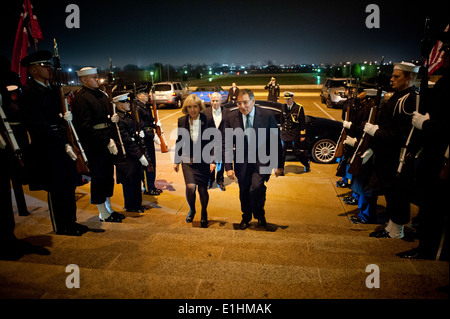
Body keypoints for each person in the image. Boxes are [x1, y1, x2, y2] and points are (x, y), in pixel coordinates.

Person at [20, 50, 88, 235]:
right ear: (33, 70)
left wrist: (67, 120)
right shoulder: (30, 93)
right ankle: (61, 226)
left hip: (62, 142)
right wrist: (61, 141)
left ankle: (71, 221)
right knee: (57, 186)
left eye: (49, 65)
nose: (49, 69)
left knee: (69, 184)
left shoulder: (51, 89)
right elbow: (37, 124)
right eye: (44, 66)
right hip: (48, 147)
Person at [398, 32, 449, 260]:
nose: (444, 54)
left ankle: (430, 249)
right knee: (428, 204)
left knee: (434, 207)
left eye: (447, 50)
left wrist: (426, 124)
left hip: (441, 157)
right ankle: (426, 245)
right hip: (432, 155)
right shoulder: (445, 82)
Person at [366, 62, 422, 238]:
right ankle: (392, 226)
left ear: (409, 77)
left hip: (397, 156)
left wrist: (376, 132)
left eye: (396, 76)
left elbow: (400, 135)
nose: (392, 79)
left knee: (398, 194)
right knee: (390, 193)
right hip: (387, 155)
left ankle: (398, 230)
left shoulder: (409, 100)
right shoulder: (399, 96)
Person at [223, 89, 283, 229]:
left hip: (262, 162)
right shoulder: (231, 117)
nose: (242, 106)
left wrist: (279, 165)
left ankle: (260, 215)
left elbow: (275, 141)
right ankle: (246, 217)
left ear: (253, 101)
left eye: (245, 102)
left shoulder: (267, 115)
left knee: (256, 188)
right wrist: (228, 167)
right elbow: (226, 143)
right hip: (241, 163)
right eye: (239, 103)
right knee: (244, 191)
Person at [70, 67, 124, 223]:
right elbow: (85, 127)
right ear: (84, 80)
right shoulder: (81, 98)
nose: (97, 79)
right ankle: (103, 212)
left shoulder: (102, 94)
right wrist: (106, 141)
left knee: (107, 177)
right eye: (93, 77)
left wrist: (113, 125)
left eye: (96, 77)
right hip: (95, 144)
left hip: (107, 139)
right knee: (99, 177)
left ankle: (109, 208)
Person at [174, 94, 216, 228]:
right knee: (191, 187)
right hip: (188, 160)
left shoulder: (207, 119)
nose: (193, 110)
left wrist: (213, 160)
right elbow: (179, 141)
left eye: (195, 106)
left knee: (203, 190)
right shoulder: (181, 121)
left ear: (200, 107)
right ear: (186, 108)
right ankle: (192, 210)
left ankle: (204, 212)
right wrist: (176, 160)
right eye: (190, 107)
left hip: (203, 160)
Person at [115, 93, 150, 213]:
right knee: (129, 182)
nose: (128, 104)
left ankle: (137, 204)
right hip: (128, 157)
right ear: (118, 104)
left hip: (133, 156)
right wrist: (139, 155)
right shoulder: (119, 119)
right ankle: (131, 206)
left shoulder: (127, 116)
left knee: (136, 180)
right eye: (125, 102)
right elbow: (127, 140)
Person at [135, 89, 162, 196]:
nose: (147, 96)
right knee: (148, 164)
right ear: (139, 96)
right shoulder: (137, 108)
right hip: (144, 139)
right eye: (145, 94)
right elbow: (140, 125)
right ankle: (148, 187)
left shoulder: (145, 106)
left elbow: (148, 122)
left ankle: (152, 186)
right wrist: (152, 135)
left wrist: (155, 124)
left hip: (149, 138)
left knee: (152, 163)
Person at [280, 91, 310, 173]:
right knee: (282, 151)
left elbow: (302, 122)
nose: (287, 101)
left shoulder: (299, 108)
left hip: (294, 133)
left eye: (289, 99)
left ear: (293, 98)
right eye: (286, 99)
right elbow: (282, 120)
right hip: (285, 133)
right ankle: (281, 169)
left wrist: (302, 135)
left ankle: (306, 163)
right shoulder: (283, 107)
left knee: (296, 152)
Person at [204, 92, 228, 190]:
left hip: (222, 141)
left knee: (220, 162)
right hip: (209, 142)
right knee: (210, 162)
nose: (214, 103)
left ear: (221, 101)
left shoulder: (227, 112)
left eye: (217, 100)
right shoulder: (205, 112)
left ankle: (220, 180)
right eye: (213, 100)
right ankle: (210, 180)